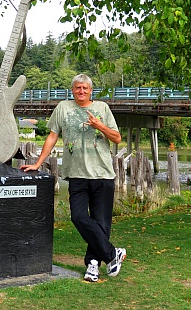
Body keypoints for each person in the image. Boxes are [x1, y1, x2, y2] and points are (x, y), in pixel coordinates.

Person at [21, 74, 126, 282]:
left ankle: (93, 264)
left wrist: (99, 126)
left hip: (102, 174)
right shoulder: (63, 108)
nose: (82, 91)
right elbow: (52, 136)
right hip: (76, 174)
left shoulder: (103, 109)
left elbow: (117, 138)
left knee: (101, 222)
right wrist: (38, 163)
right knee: (78, 217)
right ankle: (113, 254)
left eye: (85, 88)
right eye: (78, 88)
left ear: (91, 90)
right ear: (72, 90)